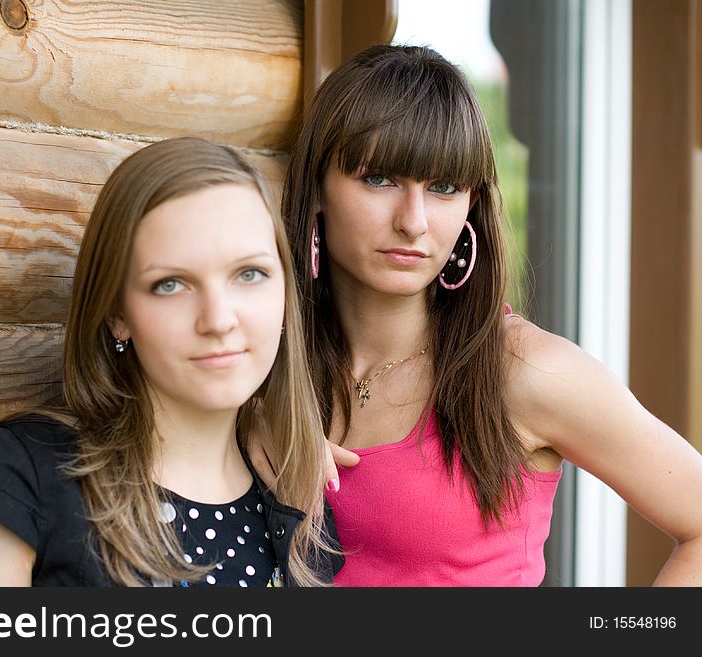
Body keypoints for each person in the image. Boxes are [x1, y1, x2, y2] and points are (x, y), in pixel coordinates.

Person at [252, 44, 702, 586]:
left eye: (444, 187)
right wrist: (257, 418)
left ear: (471, 205)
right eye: (379, 179)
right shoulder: (262, 362)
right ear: (318, 187)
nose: (414, 221)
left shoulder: (524, 369)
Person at [0, 137, 339, 587]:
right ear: (116, 314)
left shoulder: (293, 497)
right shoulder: (28, 473)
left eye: (250, 274)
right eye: (170, 284)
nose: (219, 320)